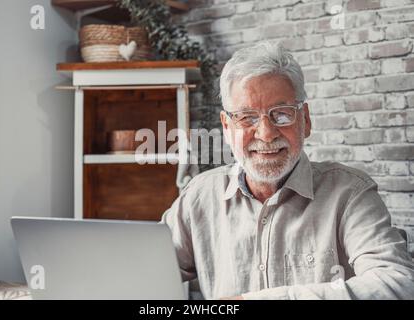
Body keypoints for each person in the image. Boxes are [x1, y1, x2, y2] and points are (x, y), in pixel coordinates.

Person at [160, 41, 414, 300]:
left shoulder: (350, 193)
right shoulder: (199, 197)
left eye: (281, 114)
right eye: (247, 117)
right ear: (227, 127)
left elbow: (397, 284)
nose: (266, 134)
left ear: (306, 120)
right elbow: (142, 271)